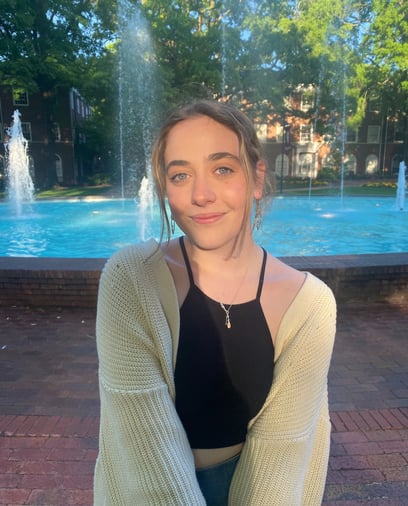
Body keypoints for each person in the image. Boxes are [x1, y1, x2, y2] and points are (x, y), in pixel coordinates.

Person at [93, 99, 336, 505]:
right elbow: (144, 444)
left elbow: (282, 456)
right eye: (181, 175)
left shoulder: (310, 305)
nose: (201, 195)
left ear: (256, 179)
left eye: (222, 169)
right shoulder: (132, 280)